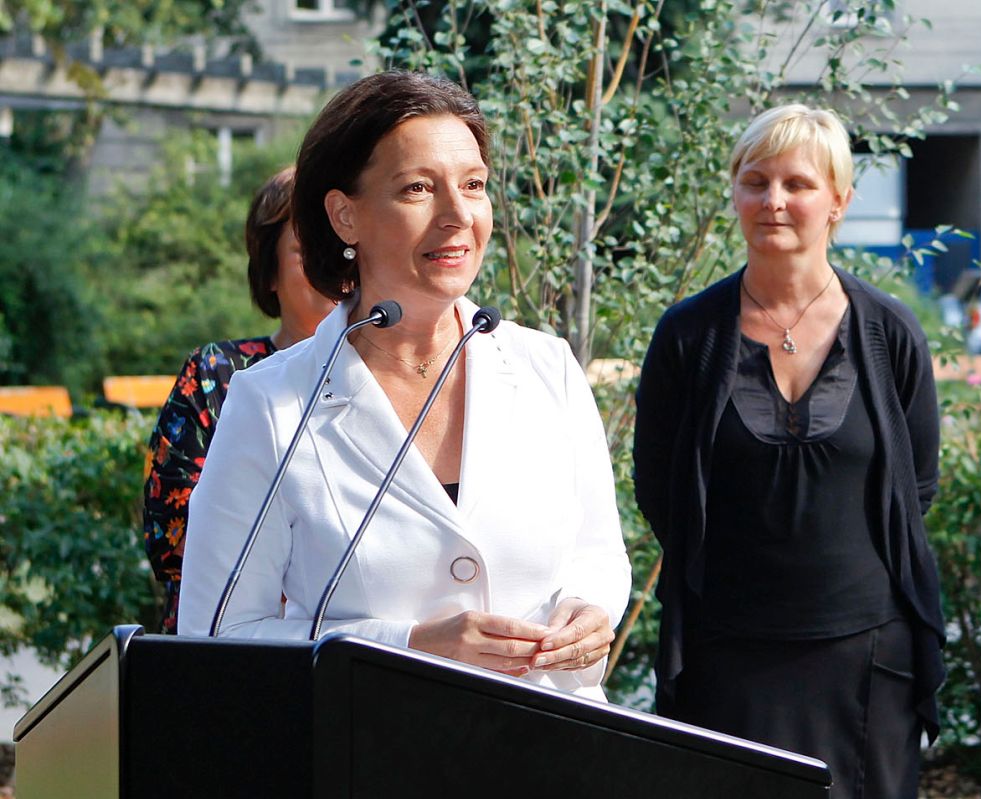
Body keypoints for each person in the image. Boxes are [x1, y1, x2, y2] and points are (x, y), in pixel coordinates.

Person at [632, 104, 944, 799]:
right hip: (730, 660)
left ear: (838, 200)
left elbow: (913, 490)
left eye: (798, 183)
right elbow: (662, 493)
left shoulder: (889, 335)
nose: (775, 200)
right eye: (757, 180)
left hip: (865, 668)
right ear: (733, 192)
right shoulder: (688, 336)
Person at [180, 71, 630, 698]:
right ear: (344, 216)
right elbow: (217, 638)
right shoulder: (272, 404)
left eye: (473, 186)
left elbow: (598, 556)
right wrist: (407, 647)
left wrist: (592, 610)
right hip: (368, 768)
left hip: (552, 759)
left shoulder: (548, 368)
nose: (457, 215)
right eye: (418, 188)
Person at [142, 166, 335, 632]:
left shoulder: (397, 377)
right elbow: (171, 536)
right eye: (307, 247)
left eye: (343, 242)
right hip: (228, 646)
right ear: (269, 271)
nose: (332, 263)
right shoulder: (217, 375)